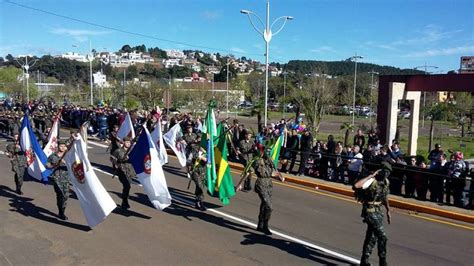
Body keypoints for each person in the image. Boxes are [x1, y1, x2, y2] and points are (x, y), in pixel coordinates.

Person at [354, 162, 392, 266]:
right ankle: (382, 261)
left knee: (372, 236)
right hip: (369, 211)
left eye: (388, 172)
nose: (386, 174)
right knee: (383, 236)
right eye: (385, 171)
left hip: (378, 212)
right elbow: (357, 185)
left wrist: (388, 210)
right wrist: (371, 176)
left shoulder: (385, 182)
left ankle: (364, 261)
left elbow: (384, 196)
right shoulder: (371, 181)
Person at [253, 144, 284, 235]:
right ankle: (265, 224)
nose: (264, 151)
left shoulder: (269, 160)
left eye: (264, 150)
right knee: (269, 206)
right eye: (262, 150)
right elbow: (251, 172)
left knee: (264, 205)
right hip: (261, 184)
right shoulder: (256, 160)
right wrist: (240, 184)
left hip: (269, 184)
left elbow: (271, 173)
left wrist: (279, 177)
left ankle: (261, 224)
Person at [46, 140, 70, 220]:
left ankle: (62, 211)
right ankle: (61, 212)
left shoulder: (69, 156)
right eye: (61, 146)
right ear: (58, 147)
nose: (63, 148)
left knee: (65, 196)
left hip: (67, 179)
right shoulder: (53, 156)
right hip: (56, 179)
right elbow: (47, 165)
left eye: (64, 146)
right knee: (60, 195)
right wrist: (56, 164)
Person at [113, 137, 136, 210]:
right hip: (122, 171)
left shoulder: (132, 151)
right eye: (127, 142)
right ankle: (124, 201)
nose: (128, 144)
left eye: (129, 142)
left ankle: (125, 200)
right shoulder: (118, 151)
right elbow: (112, 159)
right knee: (127, 186)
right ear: (123, 142)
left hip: (130, 172)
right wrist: (117, 164)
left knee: (127, 187)